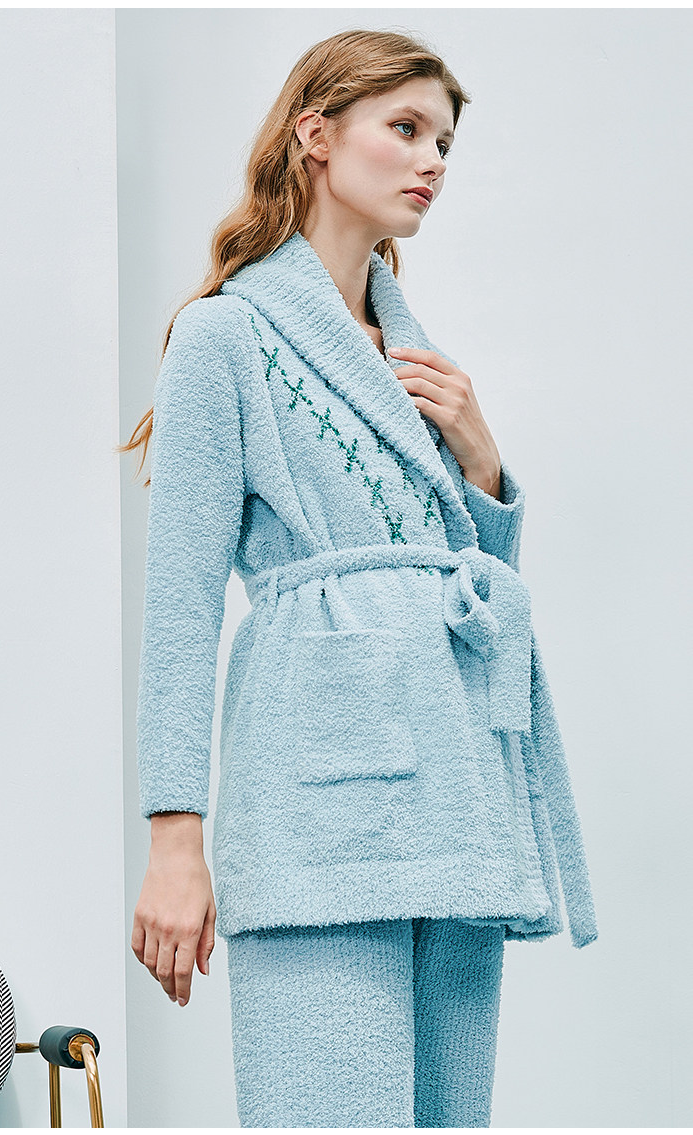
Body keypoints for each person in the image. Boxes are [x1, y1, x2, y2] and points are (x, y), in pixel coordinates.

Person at [120, 28, 598, 1128]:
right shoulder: (223, 338)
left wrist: (483, 464)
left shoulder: (418, 360)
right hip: (318, 803)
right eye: (407, 128)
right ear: (317, 134)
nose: (432, 160)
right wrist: (174, 841)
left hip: (458, 794)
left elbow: (472, 594)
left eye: (444, 142)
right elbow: (181, 603)